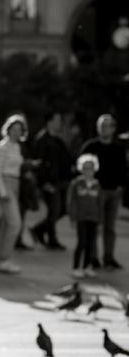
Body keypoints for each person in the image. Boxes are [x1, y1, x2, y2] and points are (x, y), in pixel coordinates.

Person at [80, 114, 127, 271]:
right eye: (101, 125)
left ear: (113, 129)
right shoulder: (91, 147)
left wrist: (121, 186)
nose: (103, 128)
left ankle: (108, 257)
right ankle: (93, 257)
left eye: (107, 126)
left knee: (110, 226)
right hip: (95, 192)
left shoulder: (118, 148)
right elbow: (80, 168)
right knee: (94, 226)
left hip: (113, 191)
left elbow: (124, 170)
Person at [31, 111, 73, 250]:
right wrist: (44, 183)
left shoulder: (59, 140)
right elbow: (39, 163)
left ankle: (39, 229)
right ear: (49, 122)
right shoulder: (42, 140)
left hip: (62, 181)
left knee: (63, 209)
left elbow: (66, 160)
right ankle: (52, 239)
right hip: (50, 183)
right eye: (57, 120)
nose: (60, 123)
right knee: (54, 210)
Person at [0, 115, 27, 274]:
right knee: (15, 224)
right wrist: (2, 190)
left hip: (16, 184)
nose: (16, 132)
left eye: (19, 130)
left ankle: (0, 258)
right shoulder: (3, 145)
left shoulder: (17, 146)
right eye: (14, 129)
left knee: (7, 224)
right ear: (8, 129)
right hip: (6, 184)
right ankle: (5, 258)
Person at [67, 154, 104, 279]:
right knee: (81, 242)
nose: (88, 171)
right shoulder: (76, 184)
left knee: (91, 243)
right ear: (81, 169)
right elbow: (72, 202)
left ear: (95, 169)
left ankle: (87, 266)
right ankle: (76, 267)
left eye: (91, 168)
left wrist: (100, 221)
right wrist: (72, 217)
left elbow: (100, 204)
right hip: (81, 218)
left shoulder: (97, 185)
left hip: (93, 218)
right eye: (85, 168)